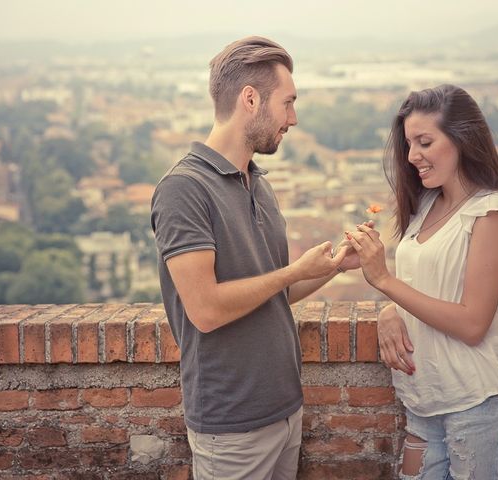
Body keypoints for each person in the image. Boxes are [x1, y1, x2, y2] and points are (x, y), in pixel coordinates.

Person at [151, 36, 358, 480]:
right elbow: (205, 310)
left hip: (285, 411)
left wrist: (336, 263)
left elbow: (276, 290)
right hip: (231, 425)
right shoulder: (183, 189)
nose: (293, 118)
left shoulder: (258, 183)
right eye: (288, 103)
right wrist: (291, 271)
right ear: (250, 99)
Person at [346, 84, 498, 479]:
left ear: (463, 140)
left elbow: (472, 323)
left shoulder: (495, 211)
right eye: (409, 143)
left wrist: (383, 280)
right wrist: (389, 311)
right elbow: (427, 286)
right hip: (424, 401)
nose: (413, 155)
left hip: (482, 401)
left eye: (425, 142)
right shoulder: (428, 204)